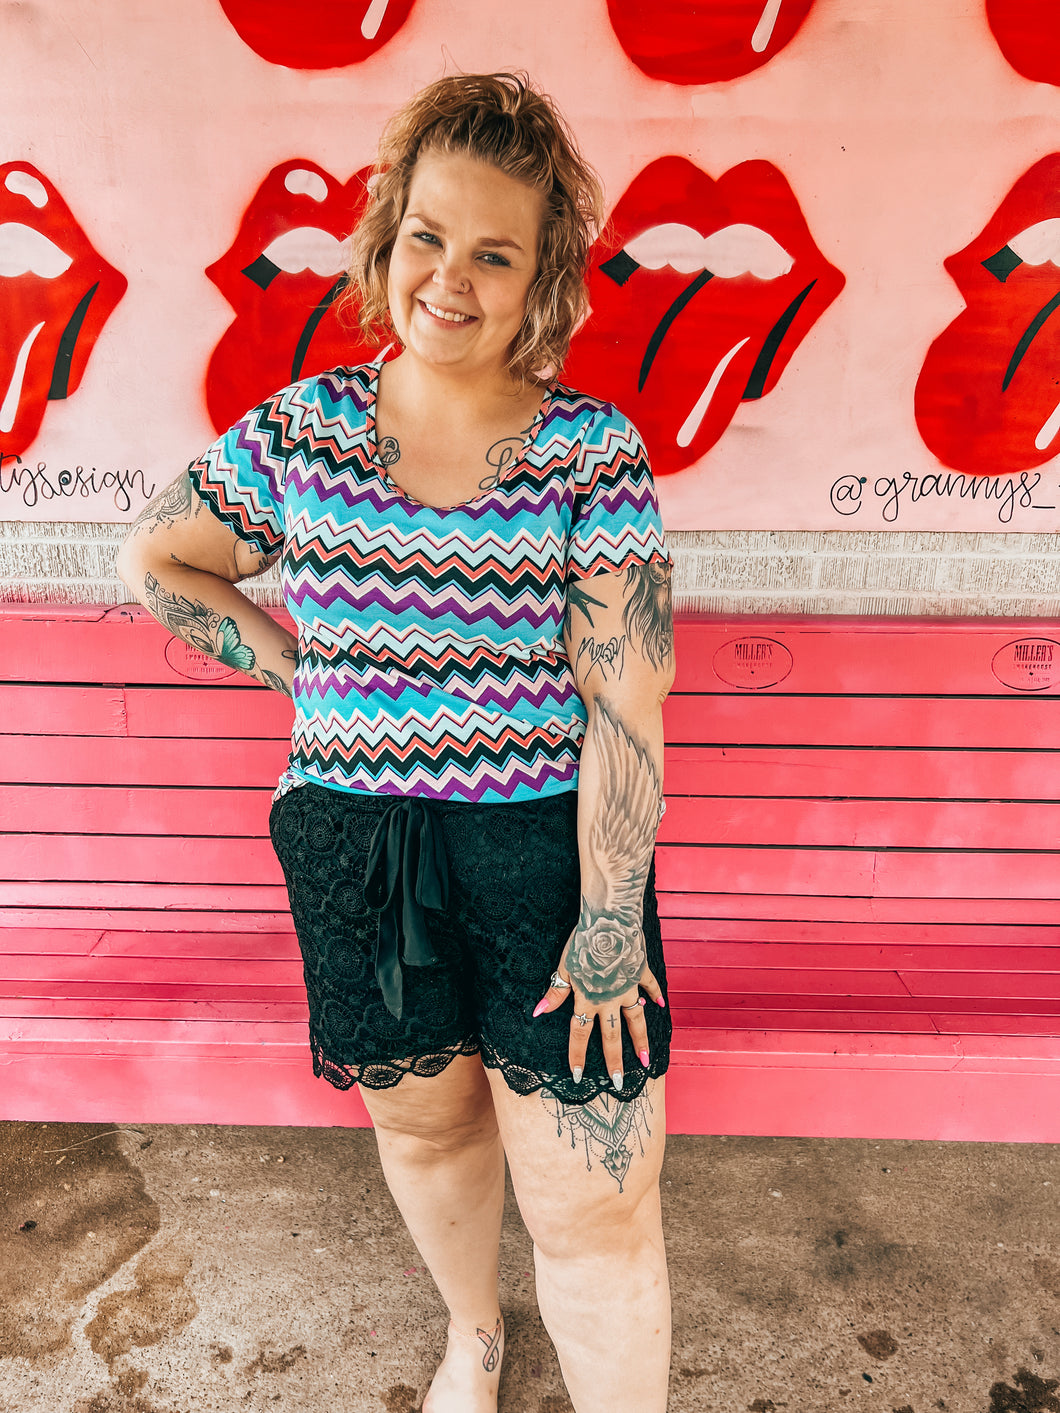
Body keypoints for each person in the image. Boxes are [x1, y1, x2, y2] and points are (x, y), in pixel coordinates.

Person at [117, 72, 675, 1413]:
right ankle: (474, 1335)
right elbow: (157, 559)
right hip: (356, 846)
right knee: (428, 1128)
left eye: (496, 253)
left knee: (593, 1195)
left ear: (542, 276)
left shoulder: (591, 454)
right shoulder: (303, 431)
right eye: (430, 236)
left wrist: (608, 925)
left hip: (548, 850)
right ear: (388, 236)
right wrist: (304, 676)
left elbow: (626, 707)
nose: (452, 280)